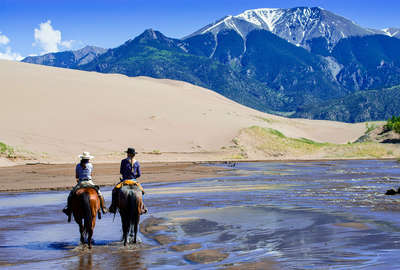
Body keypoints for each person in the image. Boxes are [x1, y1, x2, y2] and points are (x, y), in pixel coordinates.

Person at [62, 152, 108, 222]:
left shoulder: (78, 165)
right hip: (89, 182)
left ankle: (68, 210)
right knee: (99, 194)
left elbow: (77, 176)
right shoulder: (90, 165)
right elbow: (91, 175)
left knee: (71, 194)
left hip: (81, 182)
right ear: (88, 159)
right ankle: (103, 208)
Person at [109, 147, 147, 214]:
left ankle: (113, 207)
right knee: (141, 192)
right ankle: (142, 207)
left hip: (125, 180)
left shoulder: (123, 161)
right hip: (134, 181)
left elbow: (121, 171)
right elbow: (139, 174)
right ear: (134, 154)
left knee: (114, 191)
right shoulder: (137, 162)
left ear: (128, 154)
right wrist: (134, 177)